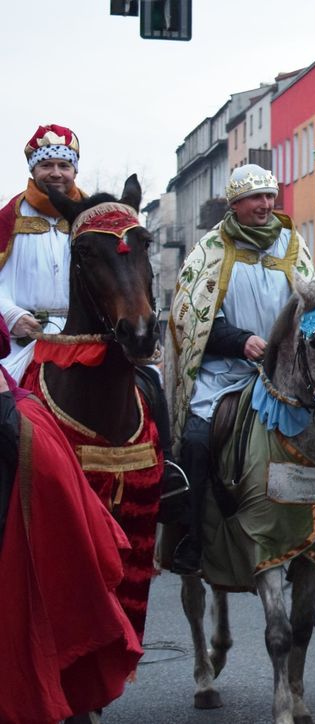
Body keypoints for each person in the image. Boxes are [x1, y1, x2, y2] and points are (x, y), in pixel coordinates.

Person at [167, 164, 315, 574]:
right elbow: (190, 317)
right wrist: (239, 340)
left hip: (284, 372)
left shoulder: (293, 245)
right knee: (195, 442)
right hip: (225, 376)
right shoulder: (209, 249)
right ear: (235, 204)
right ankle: (191, 539)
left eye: (270, 196)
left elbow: (313, 304)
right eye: (256, 198)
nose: (266, 205)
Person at [0, 317, 143, 723]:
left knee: (149, 394)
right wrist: (15, 315)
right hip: (23, 336)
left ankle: (178, 494)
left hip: (58, 332)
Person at [0, 124, 85, 383]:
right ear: (33, 169)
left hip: (84, 339)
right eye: (46, 165)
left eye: (64, 165)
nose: (56, 173)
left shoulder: (92, 217)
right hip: (22, 343)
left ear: (74, 170)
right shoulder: (8, 218)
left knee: (147, 385)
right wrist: (11, 315)